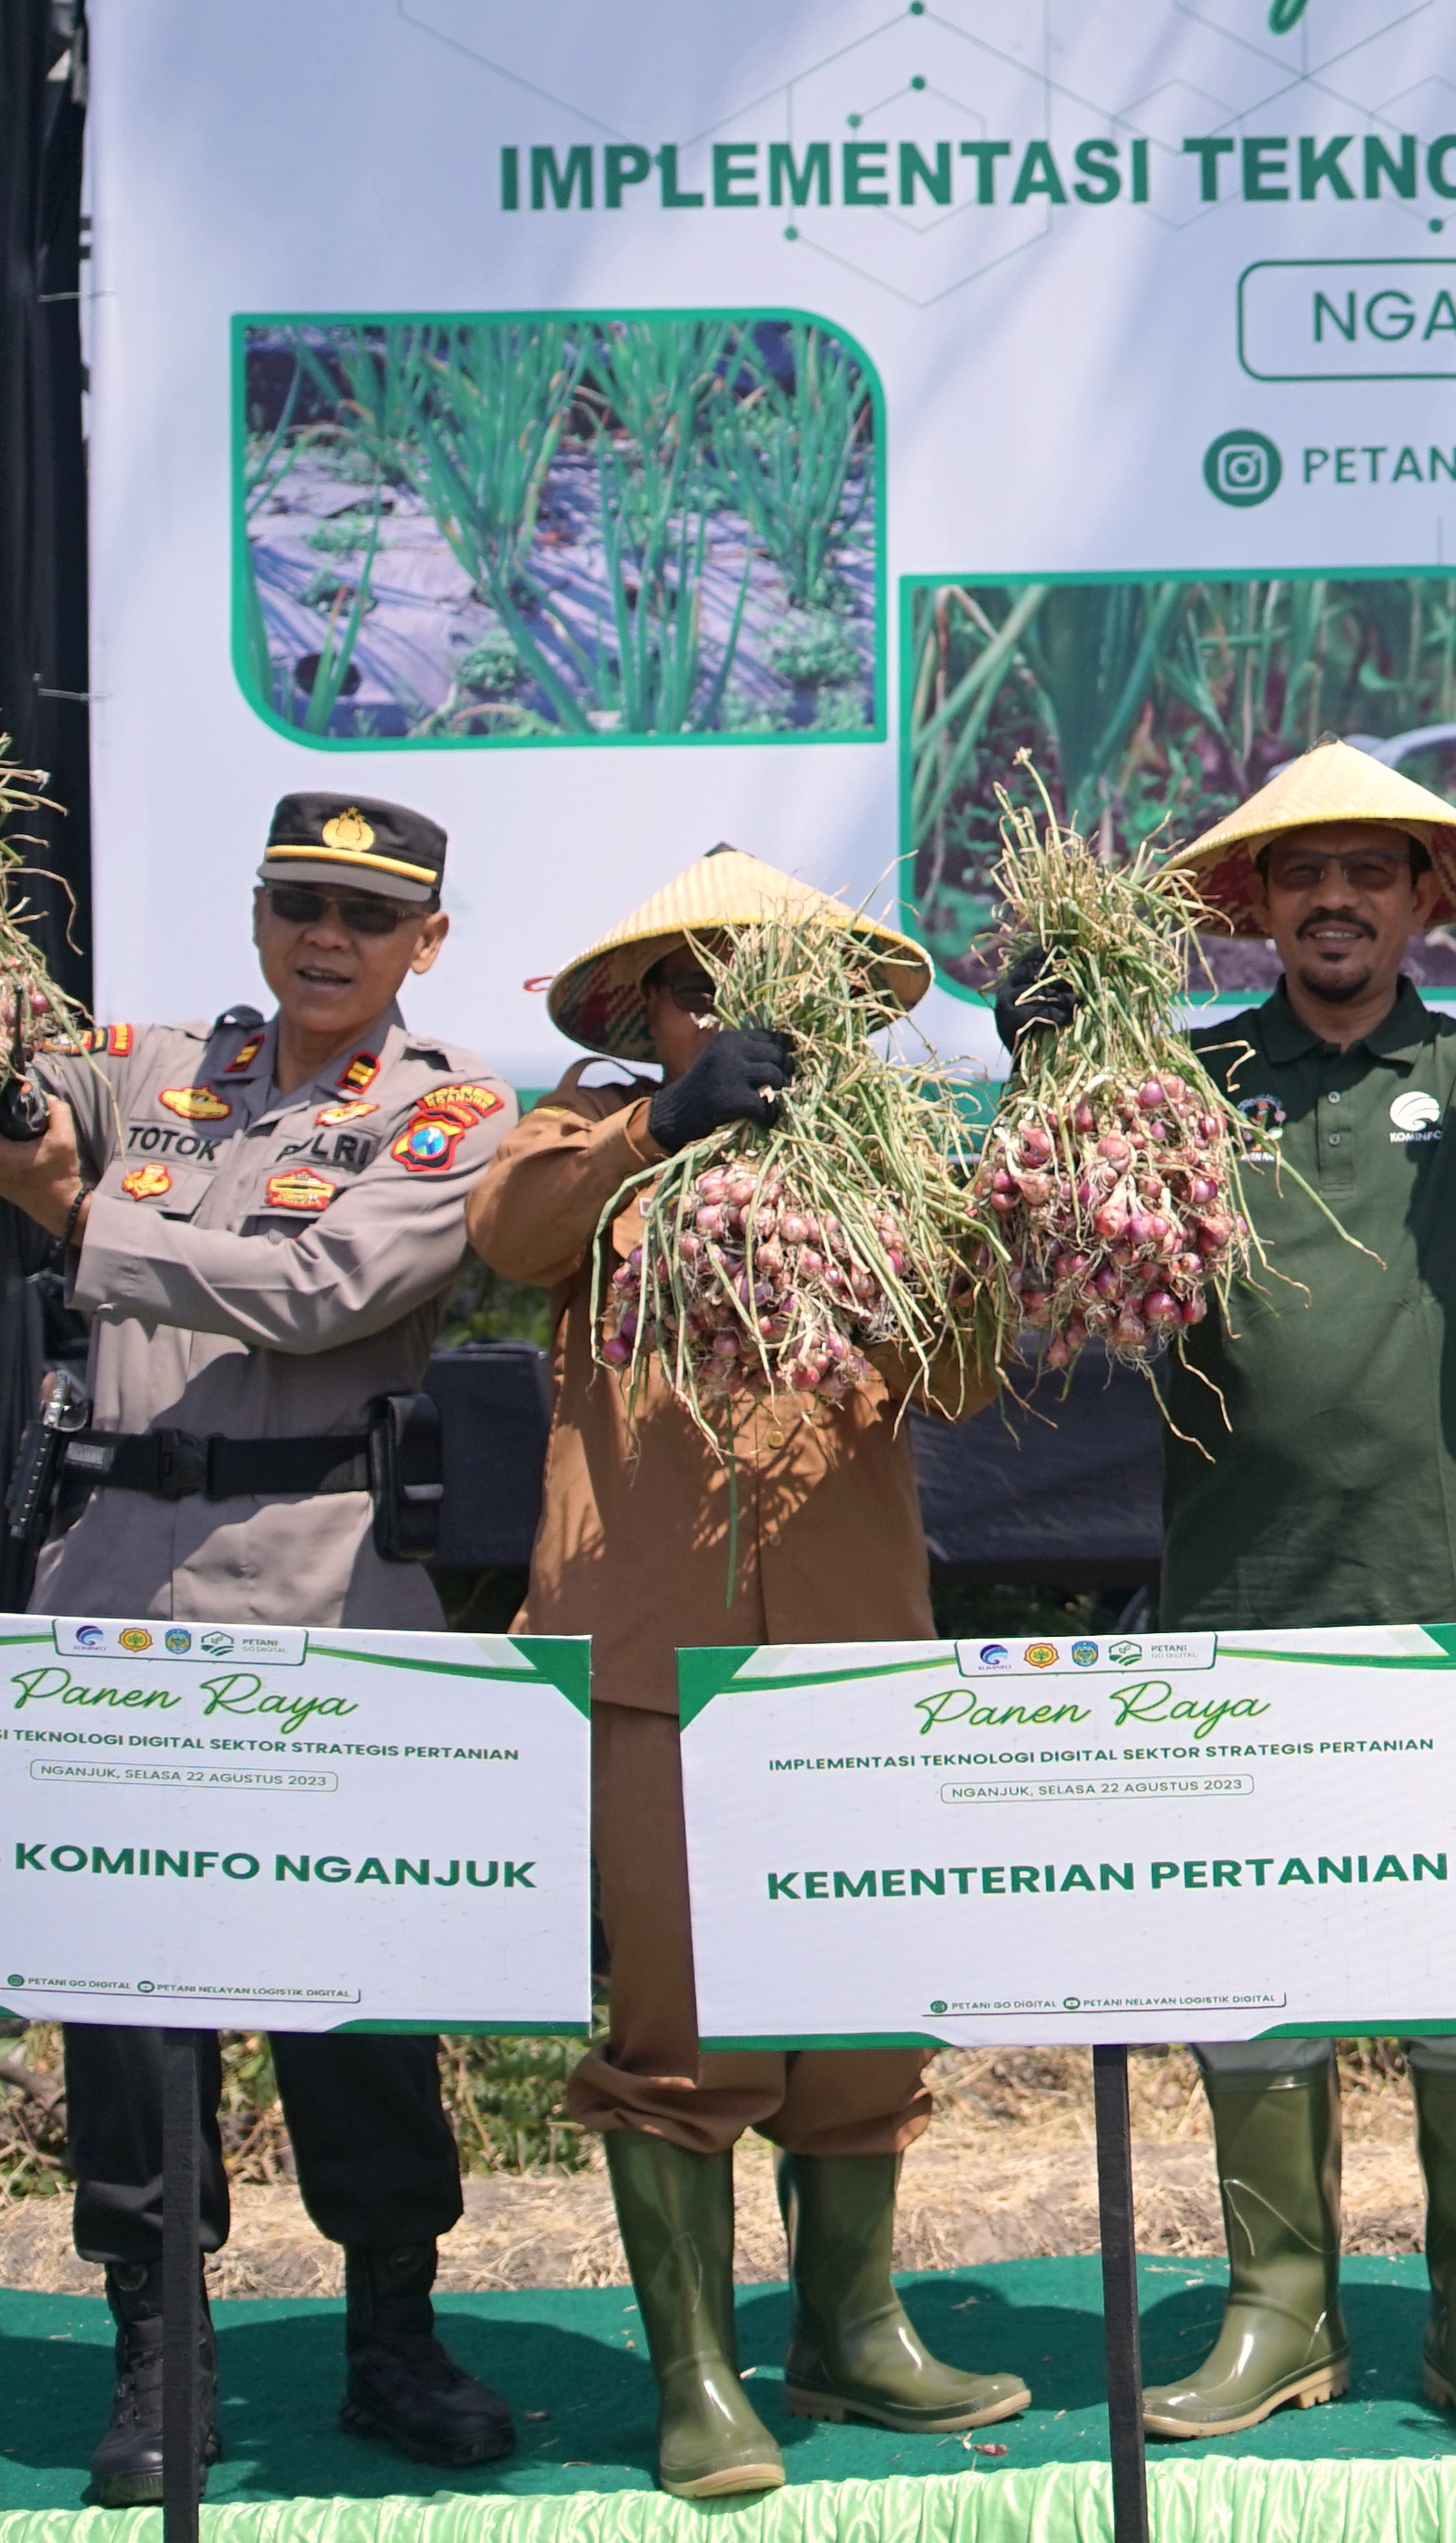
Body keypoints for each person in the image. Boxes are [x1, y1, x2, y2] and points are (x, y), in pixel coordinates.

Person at [1017, 741, 1456, 2445]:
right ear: (1259, 909)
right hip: (1249, 1589)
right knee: (1247, 1961)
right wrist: (1061, 1064)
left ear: (1426, 897)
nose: (1338, 898)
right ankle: (1279, 2312)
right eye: (1305, 874)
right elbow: (1057, 1244)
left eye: (1373, 870)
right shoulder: (1198, 1084)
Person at [0, 793, 520, 2508]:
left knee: (358, 2000)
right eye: (299, 902)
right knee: (128, 2007)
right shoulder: (156, 1065)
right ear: (261, 911)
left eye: (366, 913)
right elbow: (4, 1105)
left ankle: (390, 2334)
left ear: (426, 941)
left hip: (333, 1589)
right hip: (122, 1583)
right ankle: (159, 2344)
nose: (325, 938)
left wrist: (86, 1222)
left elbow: (323, 1291)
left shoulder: (454, 1114)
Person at [469, 850, 1022, 2498]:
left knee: (864, 2024)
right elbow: (508, 1234)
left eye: (785, 993)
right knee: (687, 2034)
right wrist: (668, 1121)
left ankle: (851, 2336)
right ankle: (696, 2379)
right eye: (706, 990)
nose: (747, 1021)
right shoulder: (590, 1141)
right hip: (654, 1654)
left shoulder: (879, 1172)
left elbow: (970, 1378)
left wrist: (965, 1220)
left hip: (850, 1660)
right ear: (652, 1016)